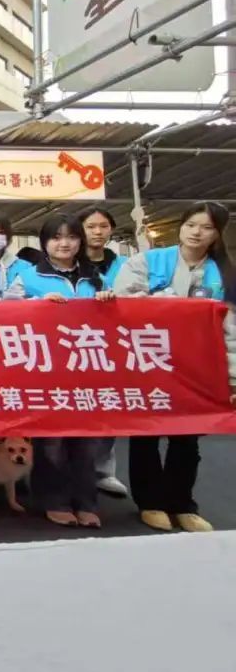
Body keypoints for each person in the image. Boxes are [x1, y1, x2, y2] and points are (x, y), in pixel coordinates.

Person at [114, 202, 236, 533]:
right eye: (191, 224)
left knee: (187, 438)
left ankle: (182, 503)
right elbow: (122, 302)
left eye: (207, 228)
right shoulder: (147, 261)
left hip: (197, 367)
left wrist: (232, 376)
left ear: (217, 234)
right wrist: (167, 303)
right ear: (180, 226)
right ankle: (150, 502)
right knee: (146, 435)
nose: (197, 232)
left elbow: (232, 329)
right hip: (148, 362)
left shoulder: (225, 273)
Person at [5, 214, 112, 528]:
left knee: (87, 442)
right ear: (44, 243)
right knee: (51, 442)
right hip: (45, 370)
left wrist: (108, 300)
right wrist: (35, 304)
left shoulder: (95, 278)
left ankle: (86, 502)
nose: (64, 244)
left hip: (88, 370)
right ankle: (54, 500)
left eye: (71, 237)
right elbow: (4, 312)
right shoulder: (28, 277)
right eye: (56, 237)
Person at [79, 207, 130, 498]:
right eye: (90, 226)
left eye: (103, 226)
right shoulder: (69, 263)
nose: (97, 232)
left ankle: (103, 470)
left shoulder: (125, 264)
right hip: (72, 343)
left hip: (112, 343)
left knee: (107, 405)